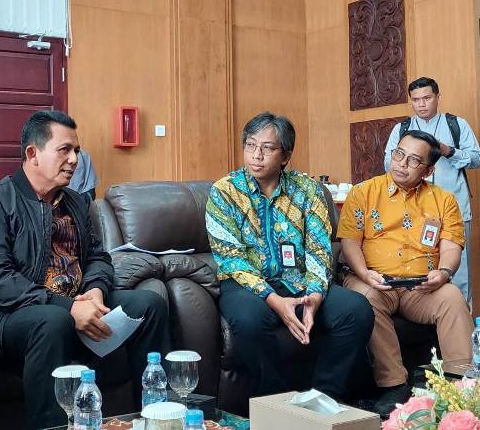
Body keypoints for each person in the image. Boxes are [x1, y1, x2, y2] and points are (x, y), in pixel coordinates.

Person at [0, 110, 169, 429]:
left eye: (77, 151)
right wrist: (69, 308)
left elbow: (97, 257)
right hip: (2, 314)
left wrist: (95, 291)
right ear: (33, 154)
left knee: (149, 304)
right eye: (64, 150)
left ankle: (156, 419)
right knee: (52, 321)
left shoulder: (76, 202)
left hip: (71, 303)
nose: (74, 160)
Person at [206, 112, 374, 402]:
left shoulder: (307, 190)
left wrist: (315, 296)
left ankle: (323, 398)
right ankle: (279, 402)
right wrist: (274, 300)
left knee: (356, 309)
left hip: (299, 280)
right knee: (249, 321)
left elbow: (319, 250)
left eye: (267, 148)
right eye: (250, 145)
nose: (256, 155)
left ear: (285, 156)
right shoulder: (224, 192)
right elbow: (231, 259)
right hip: (248, 285)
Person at [340, 130, 473, 416]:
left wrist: (444, 272)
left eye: (413, 160)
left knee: (452, 298)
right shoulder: (363, 192)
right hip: (374, 280)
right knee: (365, 299)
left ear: (428, 171)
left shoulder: (444, 200)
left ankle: (463, 386)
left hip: (421, 287)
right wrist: (364, 273)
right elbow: (349, 241)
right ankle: (394, 384)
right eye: (399, 154)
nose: (402, 163)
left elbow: (451, 245)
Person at [383, 77, 480, 301]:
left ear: (438, 97)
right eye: (416, 100)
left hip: (455, 207)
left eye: (427, 98)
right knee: (419, 265)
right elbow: (389, 163)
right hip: (413, 210)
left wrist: (449, 151)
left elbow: (476, 158)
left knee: (458, 270)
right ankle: (426, 318)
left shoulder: (456, 124)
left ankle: (462, 318)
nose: (421, 104)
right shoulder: (402, 129)